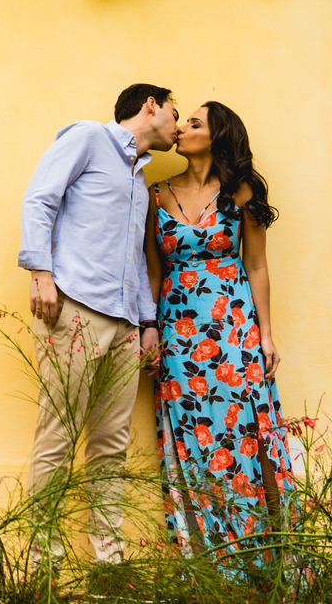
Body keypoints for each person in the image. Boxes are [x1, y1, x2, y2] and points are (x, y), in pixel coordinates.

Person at [18, 83, 179, 567]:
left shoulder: (139, 179)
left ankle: (109, 560)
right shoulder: (88, 137)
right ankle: (41, 560)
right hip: (76, 310)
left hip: (127, 323)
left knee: (110, 446)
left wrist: (148, 323)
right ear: (151, 105)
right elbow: (39, 200)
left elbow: (135, 258)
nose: (178, 121)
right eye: (175, 111)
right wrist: (41, 274)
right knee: (59, 433)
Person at [143, 101, 293, 567]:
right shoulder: (155, 193)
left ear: (216, 135)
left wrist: (266, 334)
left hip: (234, 329)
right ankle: (208, 564)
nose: (181, 128)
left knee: (247, 433)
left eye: (193, 123)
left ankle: (268, 559)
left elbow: (257, 264)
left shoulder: (242, 193)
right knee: (190, 435)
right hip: (177, 333)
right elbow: (152, 270)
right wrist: (148, 329)